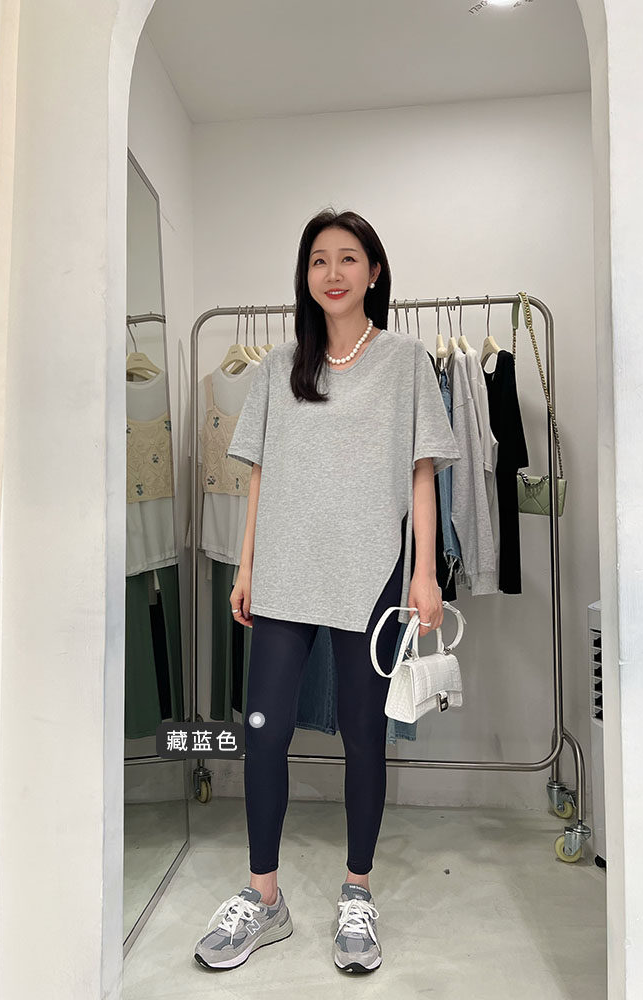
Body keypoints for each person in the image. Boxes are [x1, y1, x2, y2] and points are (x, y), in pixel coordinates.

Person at [193, 209, 460, 974]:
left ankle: (357, 892)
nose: (332, 272)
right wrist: (247, 566)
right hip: (284, 573)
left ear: (374, 272)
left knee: (364, 734)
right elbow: (259, 474)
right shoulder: (280, 367)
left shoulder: (406, 362)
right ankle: (263, 896)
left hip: (369, 574)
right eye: (318, 260)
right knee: (263, 730)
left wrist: (424, 571)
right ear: (305, 276)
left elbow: (422, 472)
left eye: (348, 258)